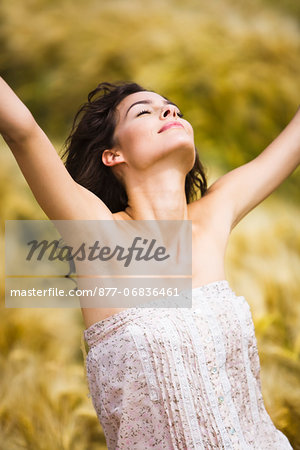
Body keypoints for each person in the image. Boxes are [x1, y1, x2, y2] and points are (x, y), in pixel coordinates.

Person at [1, 76, 298, 449]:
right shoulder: (98, 236)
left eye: (173, 109)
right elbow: (21, 131)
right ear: (113, 155)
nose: (169, 111)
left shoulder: (213, 215)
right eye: (145, 111)